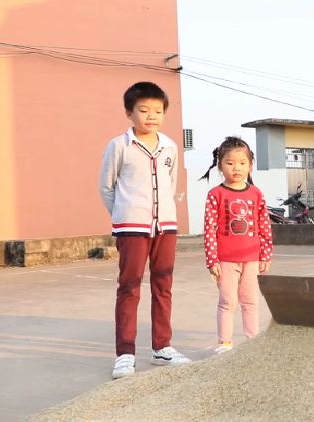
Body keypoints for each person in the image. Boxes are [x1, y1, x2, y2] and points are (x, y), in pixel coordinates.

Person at [99, 81, 191, 379]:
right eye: (143, 110)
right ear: (129, 112)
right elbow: (106, 186)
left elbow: (171, 183)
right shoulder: (119, 146)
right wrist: (123, 215)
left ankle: (162, 346)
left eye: (157, 110)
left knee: (163, 286)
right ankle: (125, 354)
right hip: (131, 228)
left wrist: (163, 212)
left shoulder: (170, 147)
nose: (151, 116)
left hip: (165, 226)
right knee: (129, 287)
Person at [202, 136, 273, 354]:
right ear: (220, 166)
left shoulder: (256, 193)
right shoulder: (215, 194)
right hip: (225, 260)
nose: (236, 168)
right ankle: (225, 343)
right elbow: (209, 228)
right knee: (227, 301)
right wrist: (212, 260)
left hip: (252, 258)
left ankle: (252, 342)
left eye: (242, 163)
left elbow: (264, 225)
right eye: (230, 163)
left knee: (251, 301)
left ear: (250, 165)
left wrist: (265, 255)